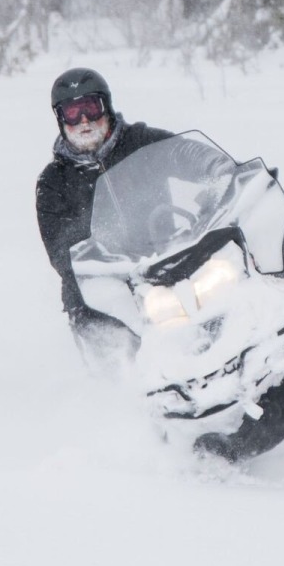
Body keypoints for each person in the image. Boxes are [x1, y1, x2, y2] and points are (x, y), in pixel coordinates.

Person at [34, 68, 172, 356]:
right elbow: (60, 252)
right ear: (61, 119)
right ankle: (118, 396)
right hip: (100, 285)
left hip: (169, 258)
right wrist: (103, 258)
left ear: (106, 107)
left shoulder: (141, 142)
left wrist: (226, 173)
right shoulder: (53, 181)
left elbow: (185, 154)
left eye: (90, 108)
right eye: (72, 113)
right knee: (116, 346)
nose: (84, 121)